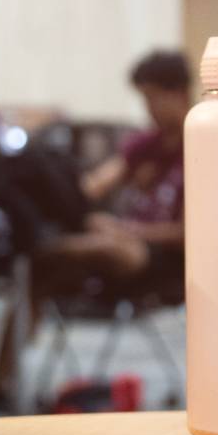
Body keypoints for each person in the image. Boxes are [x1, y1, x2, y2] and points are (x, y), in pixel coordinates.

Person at [73, 49, 192, 289]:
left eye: (153, 97)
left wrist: (127, 230)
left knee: (119, 249)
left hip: (167, 258)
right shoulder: (146, 144)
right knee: (47, 261)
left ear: (180, 94)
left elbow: (187, 235)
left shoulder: (204, 145)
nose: (148, 108)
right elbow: (94, 185)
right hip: (128, 240)